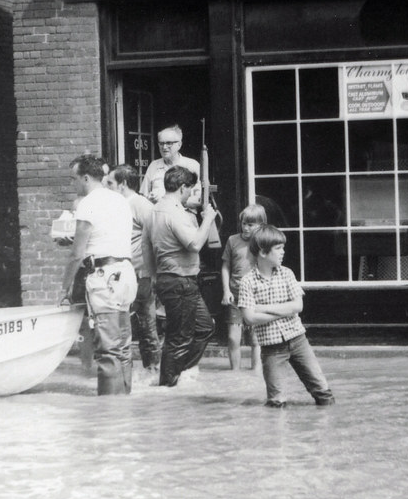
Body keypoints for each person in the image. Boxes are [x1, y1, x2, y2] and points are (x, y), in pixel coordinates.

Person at [60, 154, 138, 395]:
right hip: (125, 272)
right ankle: (124, 404)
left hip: (105, 277)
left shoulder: (88, 203)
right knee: (122, 347)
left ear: (85, 178)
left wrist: (65, 287)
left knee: (107, 350)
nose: (73, 184)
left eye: (74, 179)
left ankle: (108, 413)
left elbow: (77, 253)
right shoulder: (120, 200)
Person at [239, 224, 335, 408]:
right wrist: (284, 311)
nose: (283, 252)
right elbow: (249, 318)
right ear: (263, 252)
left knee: (323, 393)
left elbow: (298, 306)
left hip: (298, 341)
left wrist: (263, 308)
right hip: (271, 348)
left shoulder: (287, 273)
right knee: (276, 402)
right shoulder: (247, 282)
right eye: (278, 248)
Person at [142, 165, 219, 387]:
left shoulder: (154, 210)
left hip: (172, 279)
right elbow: (195, 244)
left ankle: (176, 372)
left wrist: (154, 277)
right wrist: (208, 219)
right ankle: (167, 384)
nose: (191, 195)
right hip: (180, 280)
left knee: (205, 328)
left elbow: (146, 247)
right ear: (182, 187)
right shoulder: (174, 212)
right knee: (179, 338)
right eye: (190, 190)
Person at [106, 163, 161, 373]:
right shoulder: (116, 204)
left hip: (140, 272)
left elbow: (155, 237)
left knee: (146, 322)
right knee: (124, 322)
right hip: (121, 272)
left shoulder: (140, 204)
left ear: (123, 184)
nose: (107, 186)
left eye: (111, 183)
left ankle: (153, 371)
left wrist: (153, 272)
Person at [221, 204, 266, 371]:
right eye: (244, 223)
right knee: (233, 338)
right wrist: (226, 290)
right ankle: (235, 375)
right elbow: (226, 267)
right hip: (235, 294)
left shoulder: (262, 243)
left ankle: (256, 373)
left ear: (261, 225)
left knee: (256, 339)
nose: (245, 228)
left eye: (251, 224)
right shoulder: (233, 240)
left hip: (256, 295)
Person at [140, 124, 201, 207]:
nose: (164, 147)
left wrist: (166, 202)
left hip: (185, 216)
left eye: (169, 143)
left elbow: (200, 199)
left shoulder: (192, 165)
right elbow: (143, 196)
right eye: (161, 143)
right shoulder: (153, 166)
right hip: (159, 216)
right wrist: (150, 199)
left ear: (179, 144)